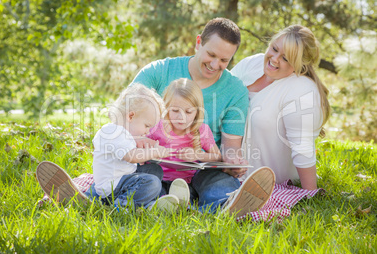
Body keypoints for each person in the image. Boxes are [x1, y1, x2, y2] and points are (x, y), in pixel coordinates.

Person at [132, 17, 275, 216]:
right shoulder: (159, 71)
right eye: (211, 54)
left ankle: (224, 207)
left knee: (218, 182)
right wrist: (142, 141)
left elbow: (230, 145)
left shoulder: (235, 90)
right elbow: (127, 112)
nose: (215, 65)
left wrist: (232, 162)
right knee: (144, 178)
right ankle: (157, 203)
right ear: (199, 42)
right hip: (153, 163)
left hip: (200, 169)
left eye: (224, 60)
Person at [36, 84, 188, 211]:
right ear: (130, 116)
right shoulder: (113, 132)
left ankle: (151, 202)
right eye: (147, 126)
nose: (147, 131)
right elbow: (132, 157)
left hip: (120, 180)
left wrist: (142, 143)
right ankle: (119, 207)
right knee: (152, 182)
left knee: (154, 171)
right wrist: (153, 152)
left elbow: (130, 153)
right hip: (111, 187)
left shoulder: (122, 133)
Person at [231, 25, 330, 190]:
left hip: (263, 182)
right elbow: (221, 95)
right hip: (225, 168)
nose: (274, 59)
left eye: (286, 58)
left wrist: (310, 193)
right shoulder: (252, 63)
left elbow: (303, 148)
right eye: (274, 49)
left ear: (300, 65)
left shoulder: (302, 90)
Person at [146, 78, 222, 204]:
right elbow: (139, 147)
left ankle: (177, 203)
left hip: (185, 184)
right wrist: (154, 151)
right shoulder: (157, 126)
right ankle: (161, 202)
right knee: (154, 188)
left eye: (188, 112)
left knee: (188, 194)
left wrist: (197, 155)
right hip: (157, 179)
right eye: (175, 111)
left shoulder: (201, 130)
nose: (182, 118)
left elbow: (217, 157)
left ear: (197, 112)